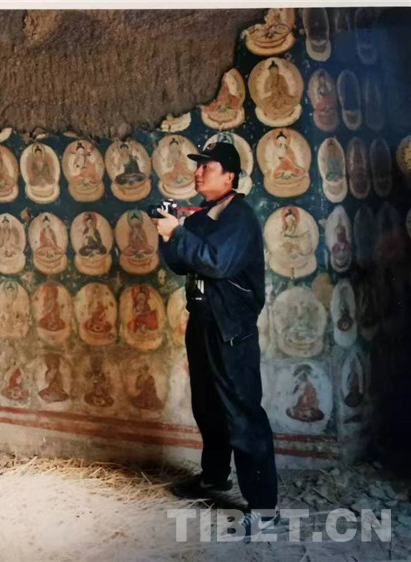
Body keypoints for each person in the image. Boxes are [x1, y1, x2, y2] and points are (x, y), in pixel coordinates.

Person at [152, 141, 278, 541]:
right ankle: (214, 478)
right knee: (207, 407)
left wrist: (178, 233)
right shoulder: (205, 215)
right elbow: (180, 263)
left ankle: (264, 509)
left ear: (229, 177)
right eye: (198, 166)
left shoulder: (238, 216)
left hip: (230, 327)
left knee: (242, 413)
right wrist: (167, 232)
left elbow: (217, 263)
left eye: (207, 167)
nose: (198, 172)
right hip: (204, 322)